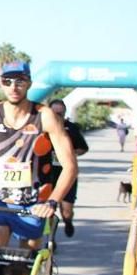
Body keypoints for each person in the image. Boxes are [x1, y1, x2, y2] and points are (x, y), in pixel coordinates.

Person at [0, 62, 77, 249]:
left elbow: (70, 166)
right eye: (8, 81)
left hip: (33, 204)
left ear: (29, 83)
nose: (13, 87)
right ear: (1, 83)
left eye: (20, 81)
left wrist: (52, 201)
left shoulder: (45, 116)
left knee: (24, 270)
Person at [47, 99, 89, 237]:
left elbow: (83, 148)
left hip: (66, 173)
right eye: (55, 113)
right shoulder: (42, 128)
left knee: (66, 209)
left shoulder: (71, 128)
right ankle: (50, 239)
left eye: (61, 113)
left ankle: (68, 221)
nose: (58, 116)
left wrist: (68, 154)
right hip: (47, 174)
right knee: (48, 209)